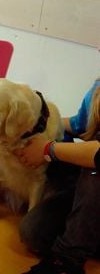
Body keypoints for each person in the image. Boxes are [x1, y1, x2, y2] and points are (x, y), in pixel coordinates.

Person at [16, 79, 100, 274]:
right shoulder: (97, 86)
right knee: (34, 232)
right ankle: (86, 237)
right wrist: (44, 122)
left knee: (94, 166)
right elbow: (78, 124)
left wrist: (47, 149)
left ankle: (66, 261)